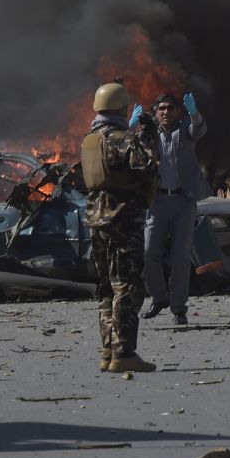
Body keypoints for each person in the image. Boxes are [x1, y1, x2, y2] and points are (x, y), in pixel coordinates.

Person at [81, 82, 159, 373]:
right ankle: (124, 352)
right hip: (123, 219)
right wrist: (147, 136)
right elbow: (148, 167)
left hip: (96, 220)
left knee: (106, 288)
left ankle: (107, 351)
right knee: (127, 286)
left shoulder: (90, 139)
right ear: (121, 109)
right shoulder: (123, 139)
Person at [135, 92, 211, 325]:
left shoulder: (186, 129)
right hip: (157, 202)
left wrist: (194, 113)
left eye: (170, 108)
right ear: (155, 112)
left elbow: (199, 130)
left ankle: (179, 309)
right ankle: (159, 298)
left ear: (178, 111)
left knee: (180, 256)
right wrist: (131, 128)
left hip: (183, 201)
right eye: (161, 109)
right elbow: (132, 149)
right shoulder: (149, 135)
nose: (166, 112)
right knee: (149, 254)